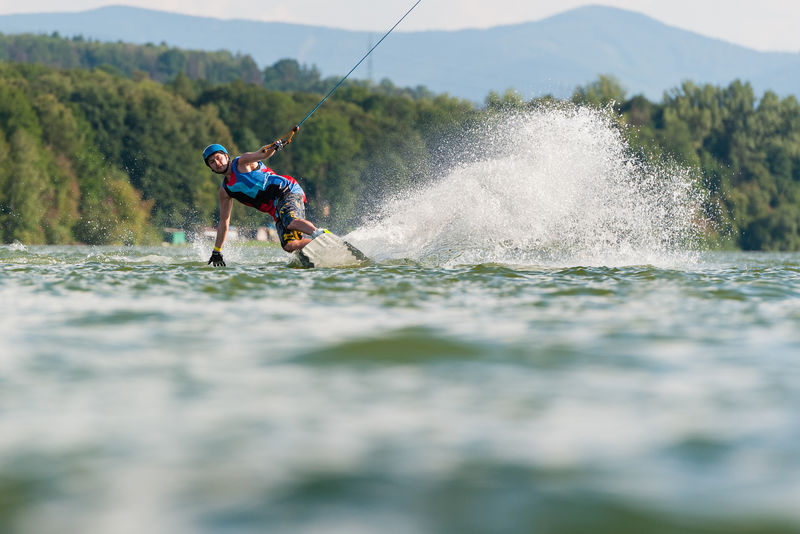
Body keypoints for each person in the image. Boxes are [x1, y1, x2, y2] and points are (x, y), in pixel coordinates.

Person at [202, 132, 328, 267]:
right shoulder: (225, 191)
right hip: (276, 209)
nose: (217, 163)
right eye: (212, 162)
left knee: (291, 222)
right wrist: (217, 251)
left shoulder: (242, 162)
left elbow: (262, 153)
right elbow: (224, 222)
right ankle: (326, 248)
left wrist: (274, 147)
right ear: (210, 168)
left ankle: (322, 236)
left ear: (226, 156)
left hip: (286, 191)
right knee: (290, 245)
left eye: (218, 158)